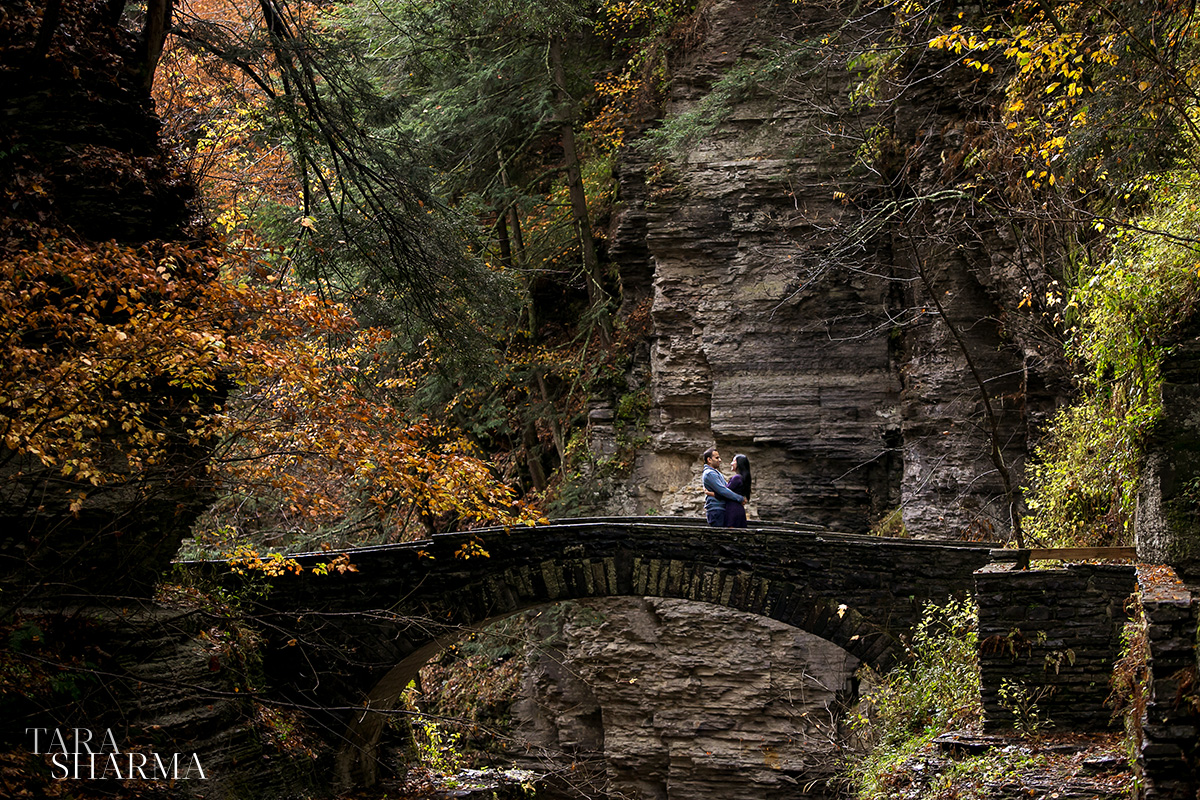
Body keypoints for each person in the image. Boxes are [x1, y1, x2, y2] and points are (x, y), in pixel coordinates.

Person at [701, 447, 745, 527]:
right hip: (716, 510)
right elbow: (723, 490)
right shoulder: (710, 473)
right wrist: (740, 498)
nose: (720, 460)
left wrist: (712, 493)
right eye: (717, 458)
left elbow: (726, 488)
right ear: (709, 460)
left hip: (720, 509)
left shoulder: (716, 473)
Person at [723, 454, 751, 528]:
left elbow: (724, 492)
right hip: (739, 509)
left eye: (733, 461)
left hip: (732, 510)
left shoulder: (737, 478)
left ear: (739, 463)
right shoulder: (743, 478)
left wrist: (710, 493)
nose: (731, 463)